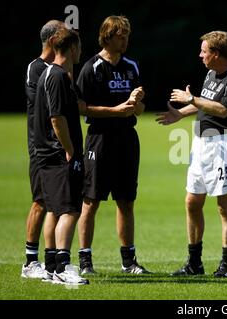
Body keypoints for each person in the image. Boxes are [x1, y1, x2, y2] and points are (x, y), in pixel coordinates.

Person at [156, 31, 227, 277]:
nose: (200, 55)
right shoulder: (210, 73)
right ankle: (194, 263)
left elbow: (222, 110)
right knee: (192, 201)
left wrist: (192, 99)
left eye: (204, 51)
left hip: (223, 145)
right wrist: (181, 112)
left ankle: (225, 266)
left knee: (224, 205)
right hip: (200, 145)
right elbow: (203, 103)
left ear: (216, 54)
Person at [76, 15, 147, 275]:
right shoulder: (92, 67)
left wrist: (136, 102)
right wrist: (116, 110)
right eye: (121, 36)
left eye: (127, 35)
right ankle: (85, 262)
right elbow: (81, 108)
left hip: (127, 140)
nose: (125, 40)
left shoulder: (132, 66)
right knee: (91, 201)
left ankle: (129, 261)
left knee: (126, 201)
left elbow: (139, 110)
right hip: (100, 139)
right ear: (107, 37)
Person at [33, 27, 88, 284]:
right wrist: (69, 149)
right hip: (58, 155)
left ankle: (51, 266)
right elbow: (57, 118)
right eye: (79, 47)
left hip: (47, 155)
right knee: (69, 210)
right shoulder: (56, 76)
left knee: (54, 210)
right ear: (73, 48)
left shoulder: (48, 73)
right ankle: (63, 268)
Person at [21, 20, 65, 279]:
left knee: (54, 204)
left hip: (57, 147)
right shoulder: (36, 69)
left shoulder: (58, 69)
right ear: (52, 40)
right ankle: (29, 263)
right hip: (41, 148)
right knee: (40, 202)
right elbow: (48, 105)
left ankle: (51, 262)